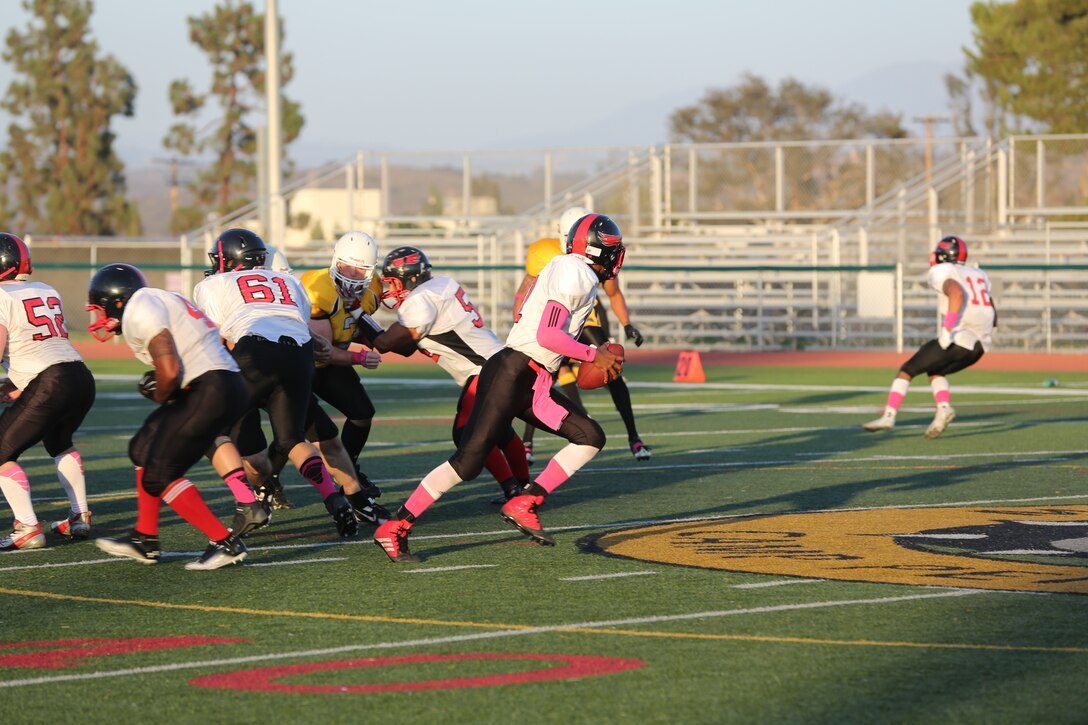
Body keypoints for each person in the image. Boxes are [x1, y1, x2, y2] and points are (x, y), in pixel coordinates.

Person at [373, 213, 626, 562]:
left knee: (591, 437)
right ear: (598, 250)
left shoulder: (572, 270)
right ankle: (395, 526)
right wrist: (591, 354)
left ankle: (525, 500)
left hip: (532, 378)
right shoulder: (577, 273)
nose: (617, 255)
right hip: (513, 372)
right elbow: (547, 335)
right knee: (468, 462)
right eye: (612, 248)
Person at [86, 263, 258, 570]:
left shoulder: (139, 307)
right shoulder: (159, 298)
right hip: (218, 384)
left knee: (159, 473)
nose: (98, 315)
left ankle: (225, 542)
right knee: (141, 448)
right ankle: (144, 539)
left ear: (118, 300)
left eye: (100, 307)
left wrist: (160, 392)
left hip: (211, 387)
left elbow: (169, 370)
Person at [192, 228, 358, 538]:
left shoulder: (214, 284)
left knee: (208, 427)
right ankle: (334, 499)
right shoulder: (289, 282)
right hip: (298, 357)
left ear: (229, 261)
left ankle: (248, 503)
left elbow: (215, 336)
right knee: (291, 440)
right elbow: (297, 326)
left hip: (253, 355)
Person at [356, 245, 531, 503]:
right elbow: (404, 348)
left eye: (393, 282)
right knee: (501, 431)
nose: (389, 290)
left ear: (410, 278)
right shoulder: (439, 286)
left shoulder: (421, 300)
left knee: (466, 433)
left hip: (485, 371)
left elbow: (385, 344)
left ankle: (514, 491)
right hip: (498, 364)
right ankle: (524, 487)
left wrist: (355, 313)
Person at [514, 205, 651, 463]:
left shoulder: (598, 255)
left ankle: (633, 436)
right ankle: (528, 441)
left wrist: (626, 323)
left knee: (611, 368)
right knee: (543, 375)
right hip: (554, 322)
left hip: (585, 319)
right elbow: (525, 289)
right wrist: (520, 319)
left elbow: (613, 291)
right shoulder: (545, 253)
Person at [0, 233, 95, 552]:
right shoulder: (45, 289)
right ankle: (79, 515)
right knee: (59, 441)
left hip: (50, 381)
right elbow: (43, 344)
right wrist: (17, 383)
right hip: (79, 375)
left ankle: (27, 527)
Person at [863, 235, 997, 439]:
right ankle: (943, 409)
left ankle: (889, 416)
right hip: (979, 348)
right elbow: (992, 312)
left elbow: (957, 293)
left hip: (959, 337)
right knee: (934, 369)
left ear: (943, 254)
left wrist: (947, 330)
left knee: (907, 370)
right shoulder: (979, 274)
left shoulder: (941, 270)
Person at [295, 231, 387, 522]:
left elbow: (356, 327)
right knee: (294, 434)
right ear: (335, 260)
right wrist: (360, 356)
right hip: (305, 367)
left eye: (360, 268)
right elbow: (322, 352)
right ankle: (266, 483)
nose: (351, 273)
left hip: (333, 364)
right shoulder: (317, 287)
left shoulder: (373, 288)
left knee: (362, 413)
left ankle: (350, 471)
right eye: (346, 265)